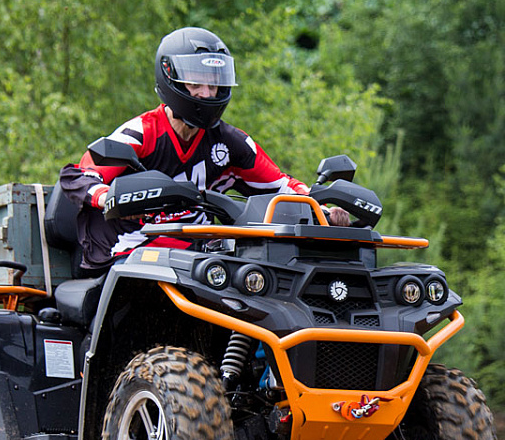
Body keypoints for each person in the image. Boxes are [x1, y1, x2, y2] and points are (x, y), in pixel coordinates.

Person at [57, 26, 348, 275]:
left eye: (213, 83)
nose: (207, 94)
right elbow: (78, 176)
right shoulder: (142, 132)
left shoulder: (231, 143)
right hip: (127, 251)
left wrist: (322, 208)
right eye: (196, 83)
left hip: (198, 256)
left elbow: (279, 185)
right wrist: (109, 196)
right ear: (170, 77)